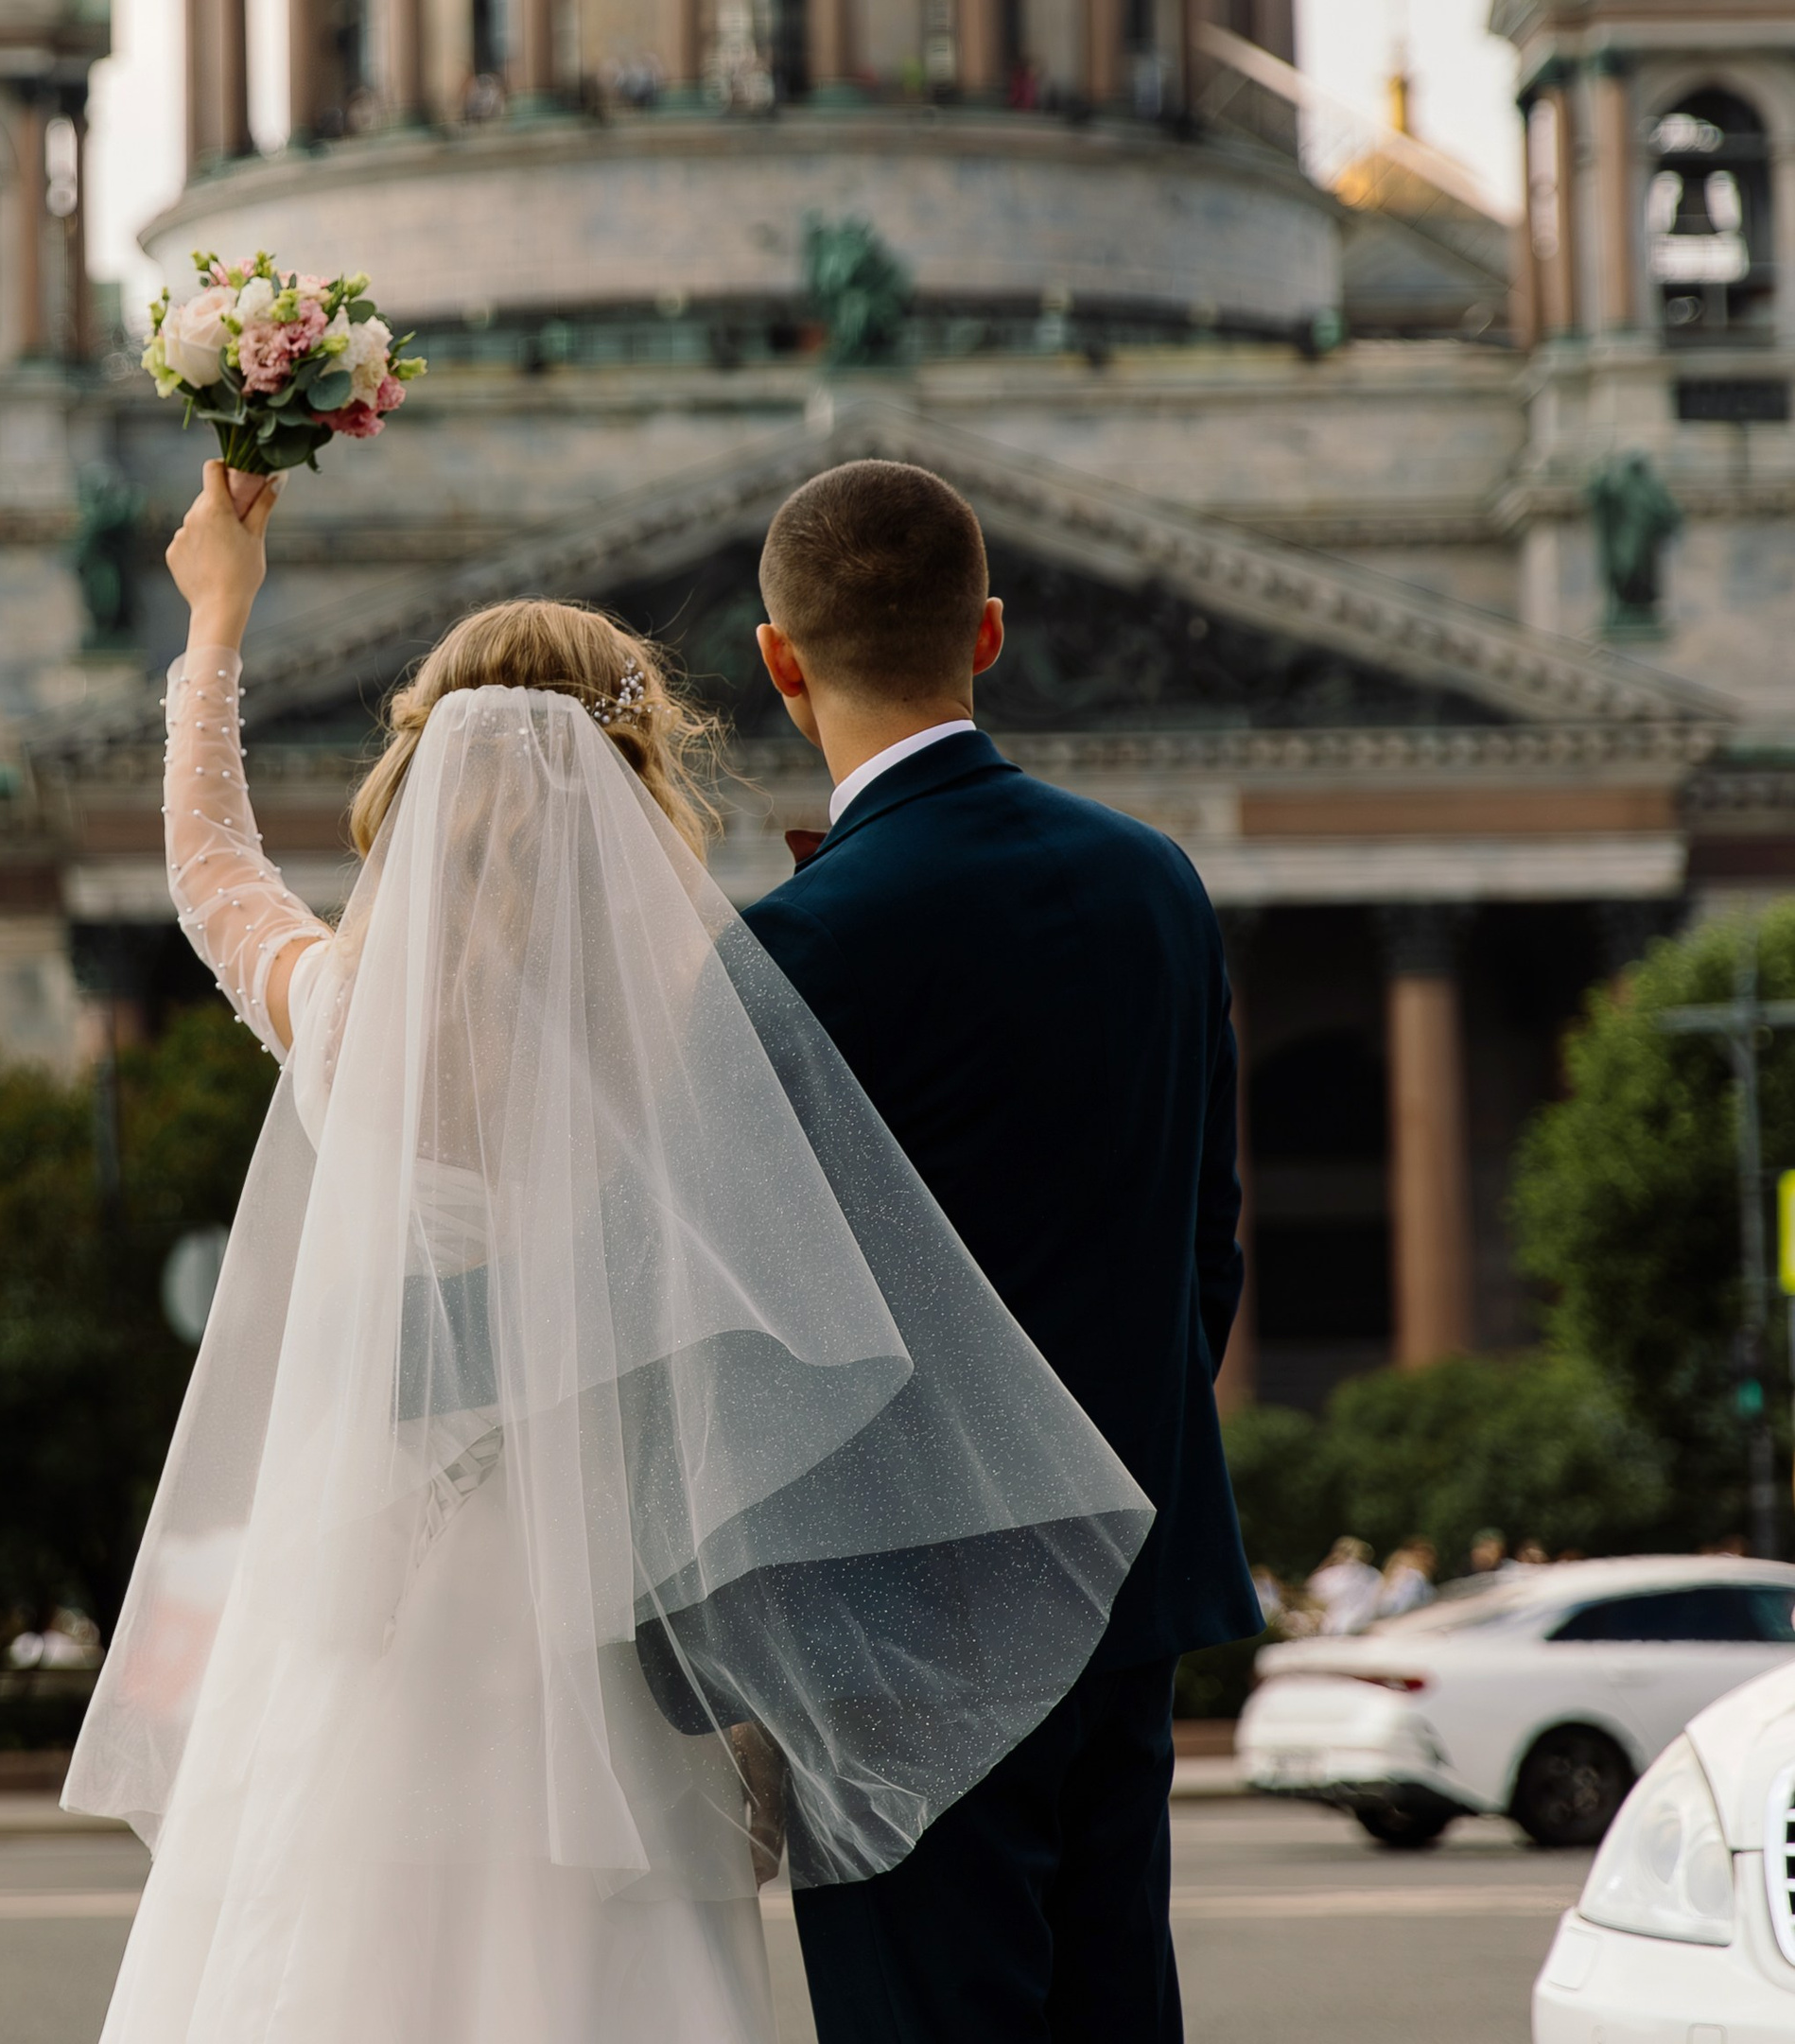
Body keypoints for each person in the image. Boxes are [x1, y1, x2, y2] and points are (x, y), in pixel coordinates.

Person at [68, 464, 1154, 2044]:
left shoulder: (350, 1021)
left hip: (379, 1615)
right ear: (637, 761)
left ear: (415, 775)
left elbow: (209, 867)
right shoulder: (703, 1018)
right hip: (615, 1642)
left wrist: (215, 619)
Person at [741, 459, 1258, 2044]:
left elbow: (757, 1322)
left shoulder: (795, 946)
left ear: (779, 661)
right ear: (990, 632)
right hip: (1131, 1586)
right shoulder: (1155, 883)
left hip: (898, 1638)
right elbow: (1207, 1255)